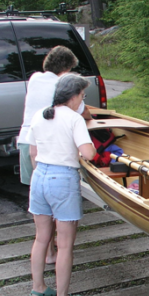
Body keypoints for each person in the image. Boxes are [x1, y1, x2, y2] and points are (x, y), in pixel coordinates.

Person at [26, 74, 96, 296]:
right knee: (65, 245)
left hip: (39, 178)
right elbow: (89, 154)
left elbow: (32, 154)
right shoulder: (73, 119)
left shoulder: (39, 114)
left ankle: (38, 288)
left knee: (41, 238)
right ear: (74, 96)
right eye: (82, 96)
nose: (82, 101)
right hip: (63, 180)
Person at [17, 46, 89, 264]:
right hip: (52, 150)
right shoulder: (61, 86)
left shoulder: (35, 79)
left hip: (27, 142)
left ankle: (47, 252)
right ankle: (62, 248)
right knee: (61, 203)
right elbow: (83, 112)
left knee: (40, 204)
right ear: (66, 70)